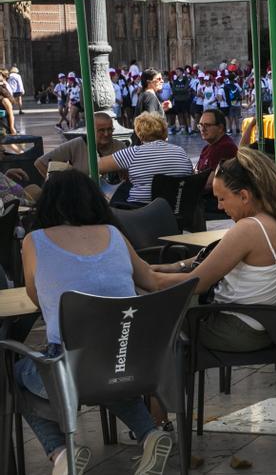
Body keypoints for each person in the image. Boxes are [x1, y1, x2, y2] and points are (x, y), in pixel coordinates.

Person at [18, 170, 174, 475]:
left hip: (70, 371)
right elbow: (151, 281)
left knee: (17, 374)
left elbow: (39, 299)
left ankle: (62, 453)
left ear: (49, 204)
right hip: (128, 362)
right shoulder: (115, 235)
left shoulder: (34, 241)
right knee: (102, 374)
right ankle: (150, 434)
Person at [149, 149, 276, 353]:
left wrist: (149, 280)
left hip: (237, 331)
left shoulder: (249, 228)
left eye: (222, 198)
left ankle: (164, 381)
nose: (220, 207)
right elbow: (218, 256)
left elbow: (197, 283)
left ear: (244, 196)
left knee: (154, 315)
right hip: (272, 326)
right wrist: (171, 267)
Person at [100, 113, 193, 205]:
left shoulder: (133, 153)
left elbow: (97, 166)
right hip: (177, 208)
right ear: (164, 131)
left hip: (141, 210)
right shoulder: (181, 151)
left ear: (139, 133)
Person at [35, 112, 121, 178]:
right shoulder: (77, 144)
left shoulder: (120, 146)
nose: (106, 134)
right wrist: (59, 188)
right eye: (101, 130)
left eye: (109, 129)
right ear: (90, 130)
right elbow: (41, 163)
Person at [197, 108, 239, 190]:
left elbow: (209, 184)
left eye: (207, 125)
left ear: (220, 128)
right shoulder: (207, 147)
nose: (202, 129)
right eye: (200, 125)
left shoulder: (225, 147)